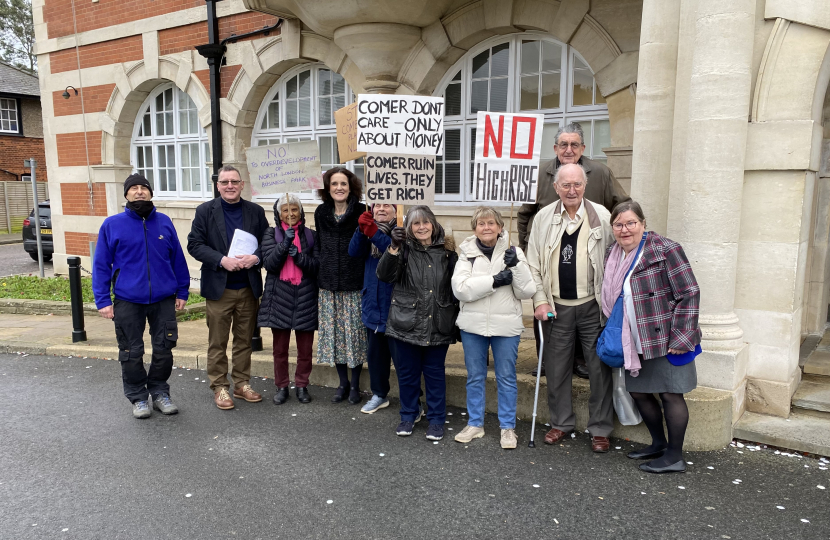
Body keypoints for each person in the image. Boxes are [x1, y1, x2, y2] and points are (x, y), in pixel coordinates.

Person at [517, 122, 629, 380]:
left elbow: (622, 206)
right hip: (548, 248)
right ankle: (546, 360)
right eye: (563, 144)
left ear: (583, 148)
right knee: (545, 307)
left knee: (585, 312)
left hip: (589, 248)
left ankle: (580, 361)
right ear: (555, 148)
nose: (569, 149)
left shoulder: (601, 172)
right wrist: (527, 249)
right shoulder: (541, 173)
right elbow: (525, 215)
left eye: (574, 144)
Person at [602, 200, 701, 473]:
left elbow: (689, 292)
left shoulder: (666, 250)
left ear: (643, 224)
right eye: (619, 224)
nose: (625, 230)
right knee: (639, 392)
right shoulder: (613, 253)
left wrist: (682, 338)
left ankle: (675, 456)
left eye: (631, 223)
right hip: (634, 338)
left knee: (671, 395)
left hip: (666, 337)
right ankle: (658, 443)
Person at [526, 163, 615, 453]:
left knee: (599, 368)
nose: (572, 190)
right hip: (555, 306)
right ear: (556, 188)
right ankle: (561, 422)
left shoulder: (601, 216)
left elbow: (614, 262)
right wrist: (539, 299)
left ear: (585, 185)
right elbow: (533, 264)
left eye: (577, 184)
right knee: (557, 368)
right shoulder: (542, 218)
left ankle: (600, 428)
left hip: (593, 305)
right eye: (566, 185)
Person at [92, 174, 190, 419]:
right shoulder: (112, 225)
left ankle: (159, 392)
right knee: (130, 351)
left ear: (150, 193)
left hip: (163, 298)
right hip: (128, 299)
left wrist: (183, 290)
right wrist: (103, 300)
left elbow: (177, 259)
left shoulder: (165, 222)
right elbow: (101, 264)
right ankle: (137, 397)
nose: (139, 192)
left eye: (143, 188)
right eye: (133, 188)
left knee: (164, 348)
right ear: (126, 194)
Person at [451, 206, 535, 449]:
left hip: (506, 325)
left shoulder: (513, 251)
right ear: (474, 228)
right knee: (475, 377)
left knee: (506, 377)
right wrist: (494, 281)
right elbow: (461, 289)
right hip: (472, 326)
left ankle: (507, 428)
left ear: (500, 227)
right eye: (481, 224)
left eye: (491, 223)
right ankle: (475, 424)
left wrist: (517, 266)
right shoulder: (466, 253)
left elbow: (527, 291)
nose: (486, 228)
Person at [187, 165, 269, 410]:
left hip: (247, 287)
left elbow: (267, 243)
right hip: (219, 288)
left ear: (242, 185)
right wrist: (222, 260)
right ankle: (220, 387)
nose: (230, 186)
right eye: (225, 182)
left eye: (234, 181)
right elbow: (194, 244)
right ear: (218, 185)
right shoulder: (205, 211)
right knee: (218, 342)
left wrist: (256, 258)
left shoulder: (255, 211)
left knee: (244, 340)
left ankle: (242, 384)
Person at [377, 205, 458, 441]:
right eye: (415, 223)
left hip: (437, 323)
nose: (421, 227)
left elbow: (457, 287)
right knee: (407, 374)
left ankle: (436, 419)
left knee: (435, 375)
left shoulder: (448, 252)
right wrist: (393, 247)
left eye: (425, 222)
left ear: (433, 224)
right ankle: (408, 415)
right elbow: (384, 275)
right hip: (406, 322)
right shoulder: (402, 249)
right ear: (409, 228)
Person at [258, 193, 320, 405]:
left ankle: (302, 384)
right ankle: (282, 385)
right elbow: (270, 264)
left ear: (300, 212)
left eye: (294, 209)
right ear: (279, 214)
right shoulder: (270, 234)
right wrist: (285, 244)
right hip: (280, 297)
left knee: (305, 350)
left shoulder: (311, 235)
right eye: (285, 210)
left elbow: (316, 267)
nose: (290, 213)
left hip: (305, 297)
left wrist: (299, 256)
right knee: (280, 349)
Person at [314, 167, 367, 404]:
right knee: (335, 335)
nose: (339, 188)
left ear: (351, 186)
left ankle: (355, 384)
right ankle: (342, 382)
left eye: (343, 183)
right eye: (334, 184)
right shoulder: (321, 212)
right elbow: (320, 245)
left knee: (353, 335)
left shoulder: (363, 211)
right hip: (328, 285)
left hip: (353, 283)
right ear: (327, 187)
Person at [348, 203, 397, 414]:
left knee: (404, 358)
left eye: (388, 205)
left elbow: (393, 250)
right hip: (373, 304)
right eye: (377, 205)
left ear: (397, 210)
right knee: (376, 355)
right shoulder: (368, 230)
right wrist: (361, 231)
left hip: (397, 306)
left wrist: (373, 232)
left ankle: (412, 400)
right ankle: (379, 394)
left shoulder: (402, 231)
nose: (381, 209)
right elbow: (353, 252)